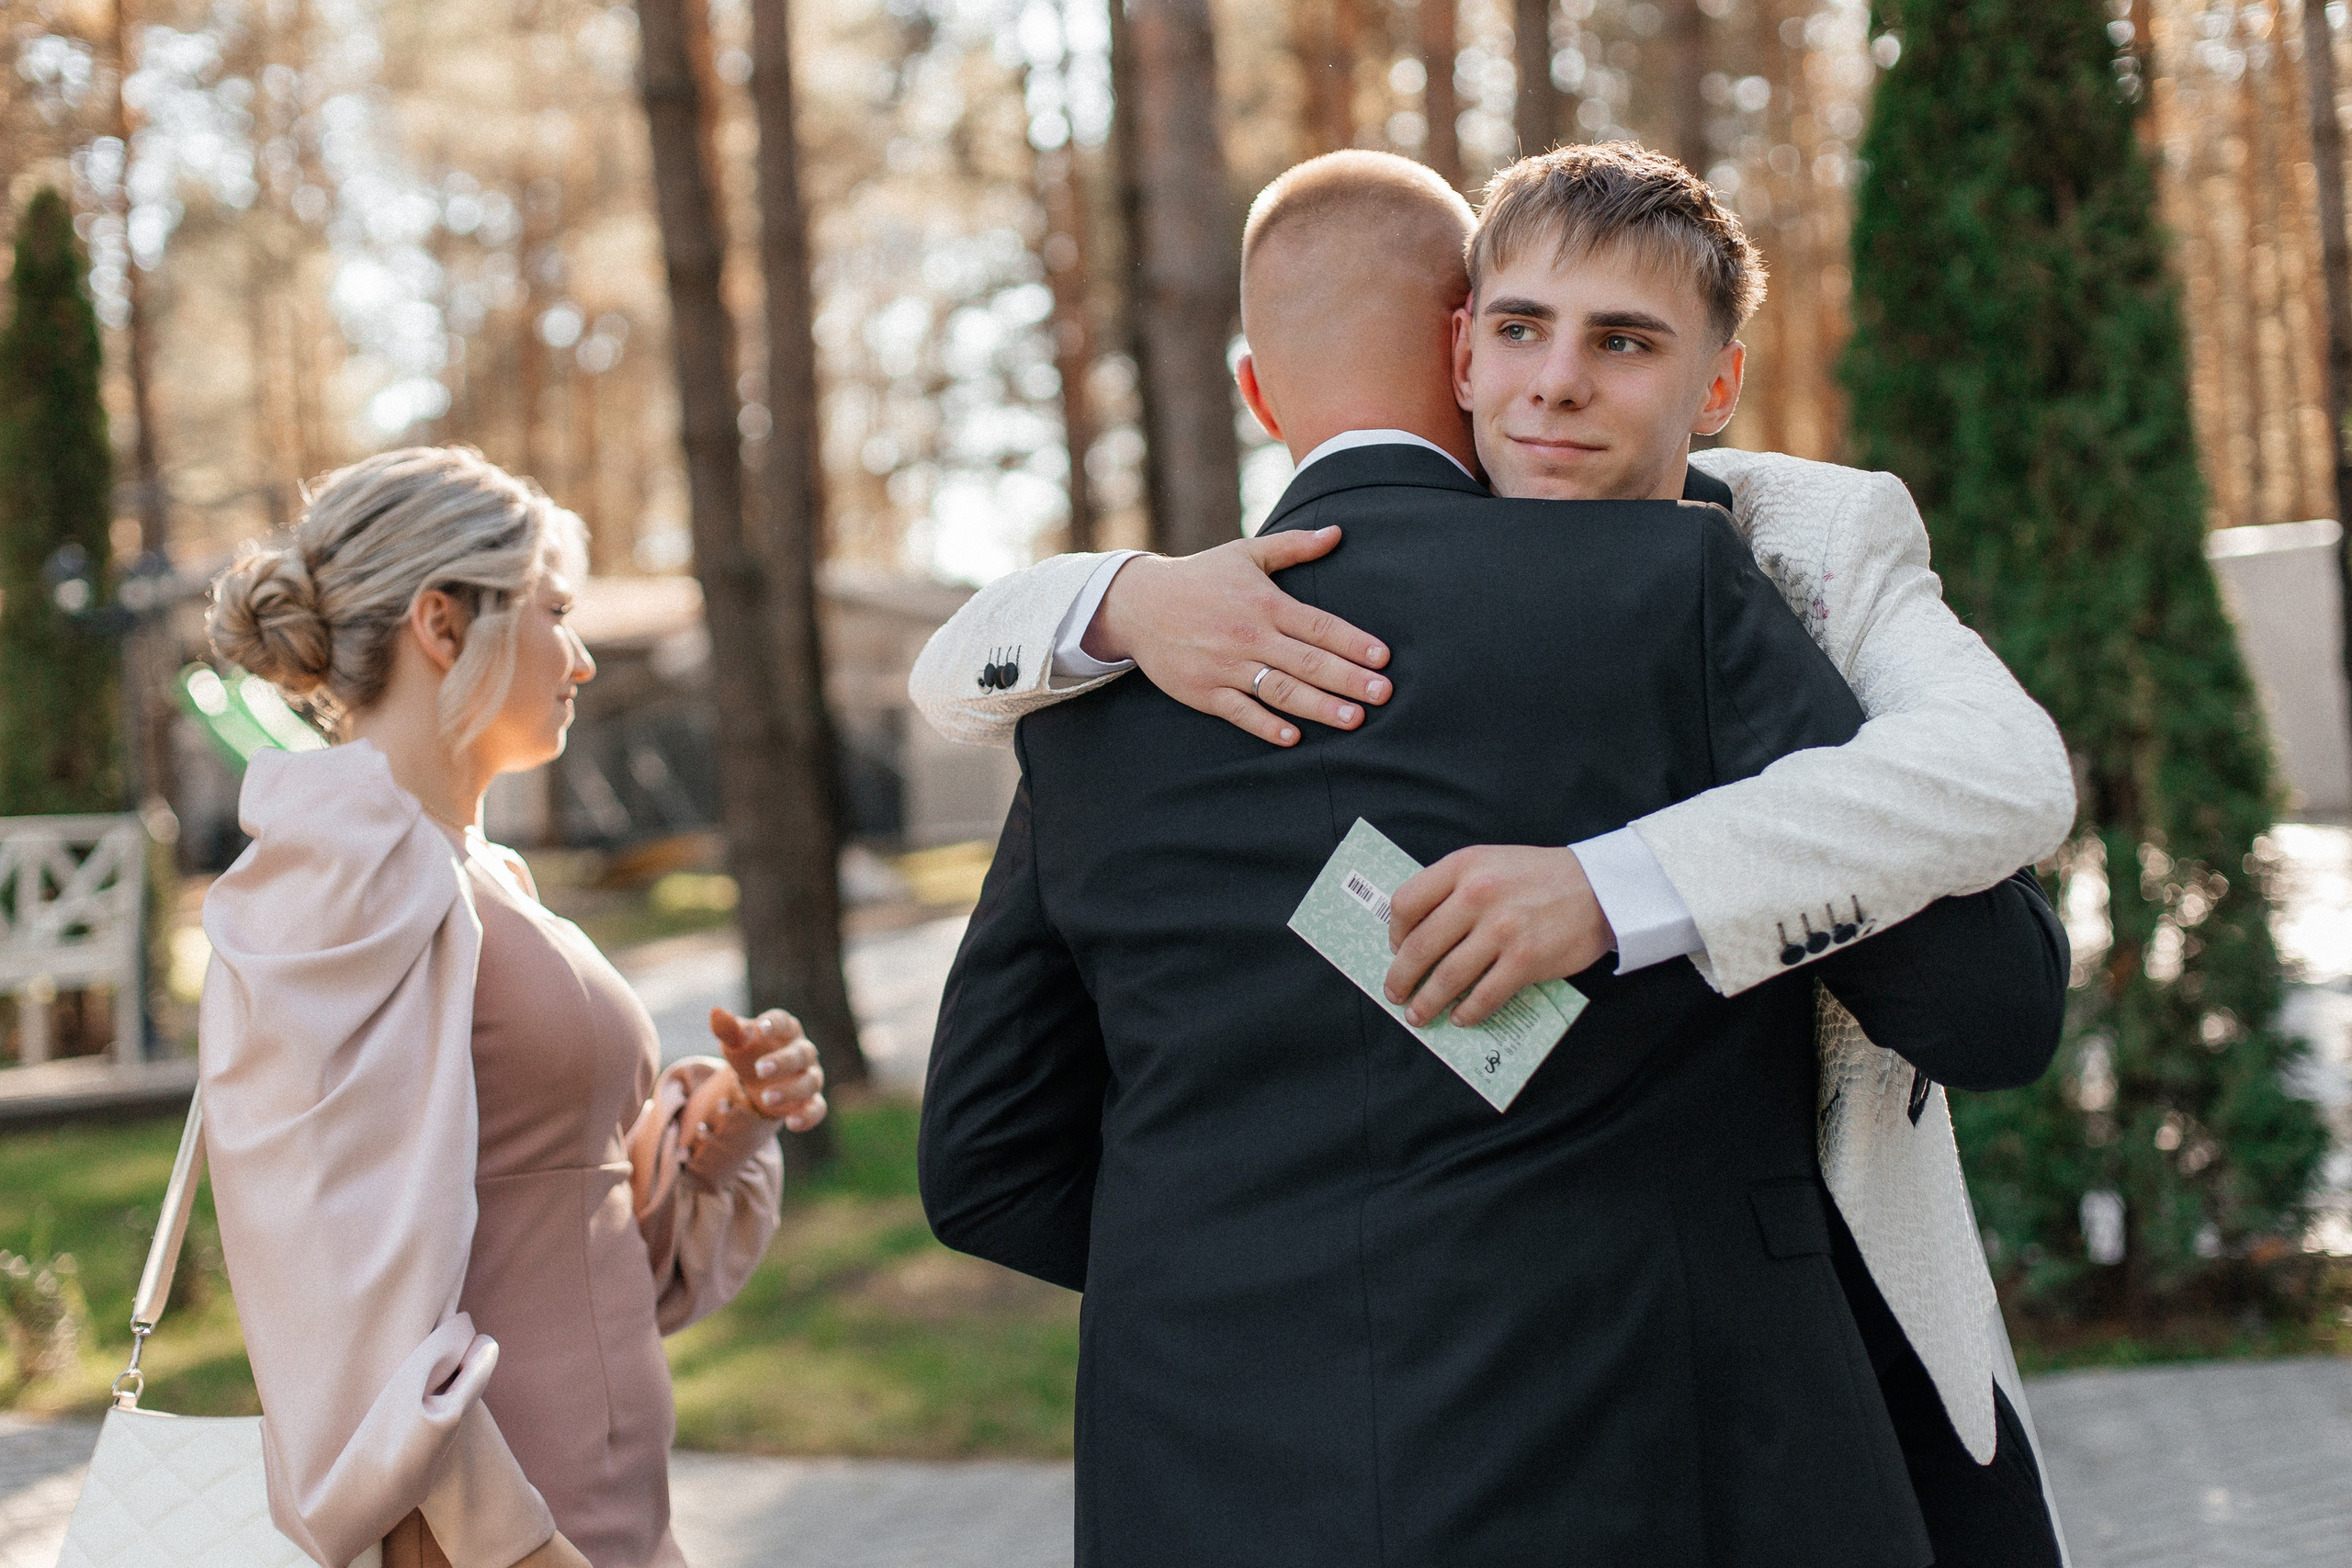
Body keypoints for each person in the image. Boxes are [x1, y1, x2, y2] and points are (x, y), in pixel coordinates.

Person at [915, 149, 2072, 1562]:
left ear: (1260, 394)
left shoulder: (1101, 709)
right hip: (1671, 1460)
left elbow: (987, 1164)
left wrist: (1265, 1276)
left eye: (1621, 340)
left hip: (1208, 1484)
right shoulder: (1675, 599)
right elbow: (1993, 1006)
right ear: (1458, 352)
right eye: (1523, 328)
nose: (1557, 382)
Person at [199, 447, 828, 1568]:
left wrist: (729, 1114)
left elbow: (573, 1234)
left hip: (607, 1503)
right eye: (555, 612)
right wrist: (515, 1546)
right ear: (442, 625)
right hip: (488, 1533)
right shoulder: (347, 871)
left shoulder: (480, 877)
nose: (579, 658)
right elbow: (329, 1273)